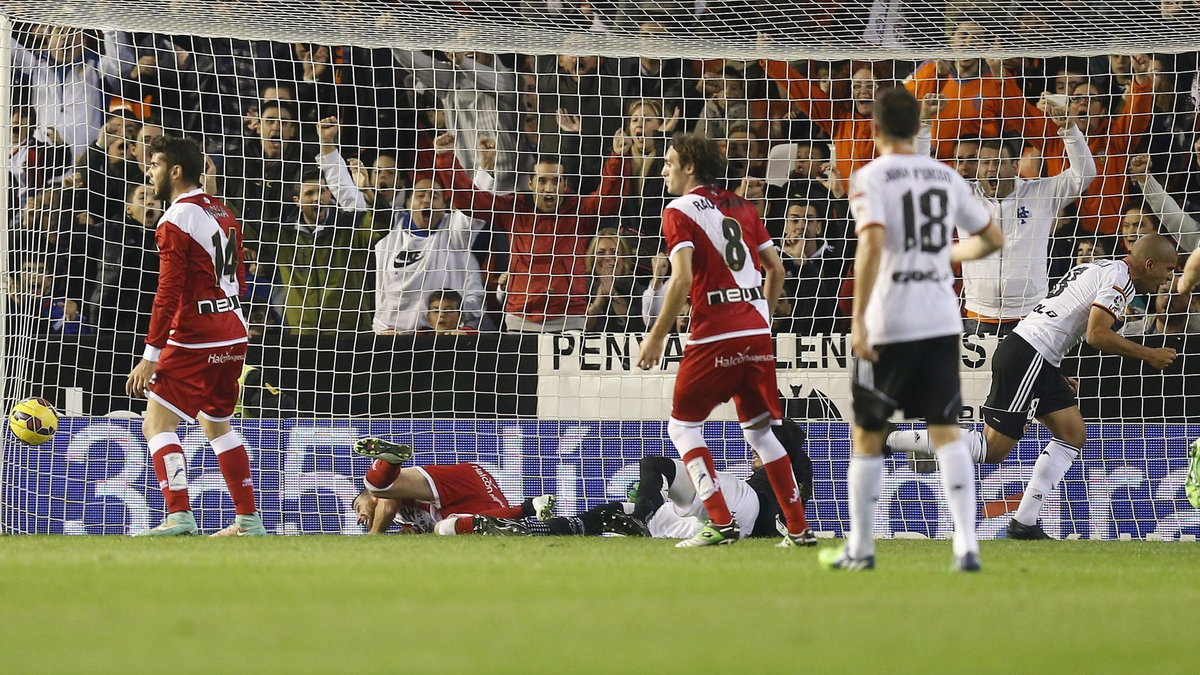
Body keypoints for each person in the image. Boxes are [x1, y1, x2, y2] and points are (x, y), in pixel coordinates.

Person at [888, 234, 1180, 539]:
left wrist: (1051, 373)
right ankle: (891, 437)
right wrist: (1150, 353)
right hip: (1028, 354)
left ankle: (1024, 522)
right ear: (1149, 264)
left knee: (1072, 434)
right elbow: (1096, 334)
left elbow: (1061, 316)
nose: (1167, 278)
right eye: (1169, 269)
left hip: (1037, 356)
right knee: (991, 449)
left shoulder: (1102, 267)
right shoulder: (1120, 280)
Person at [822, 87, 1004, 572]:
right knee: (946, 430)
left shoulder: (870, 176)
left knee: (868, 433)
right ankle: (966, 544)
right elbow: (991, 239)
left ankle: (861, 548)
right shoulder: (945, 175)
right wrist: (948, 255)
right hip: (941, 319)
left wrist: (859, 319)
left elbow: (872, 244)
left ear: (875, 128)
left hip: (889, 320)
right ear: (917, 124)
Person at [635, 132, 815, 549]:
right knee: (761, 432)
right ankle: (799, 529)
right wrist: (762, 318)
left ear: (690, 167)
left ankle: (720, 522)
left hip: (715, 330)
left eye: (668, 163)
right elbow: (777, 270)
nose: (663, 170)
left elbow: (680, 278)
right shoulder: (744, 206)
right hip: (755, 330)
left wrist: (656, 337)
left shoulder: (678, 210)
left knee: (682, 427)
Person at [124, 135, 265, 537]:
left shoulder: (174, 220)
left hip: (196, 334)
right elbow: (238, 275)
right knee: (217, 423)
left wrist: (151, 353)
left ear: (175, 171)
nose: (147, 173)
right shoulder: (222, 211)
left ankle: (179, 515)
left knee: (157, 424)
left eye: (152, 165)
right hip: (233, 329)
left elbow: (167, 292)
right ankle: (248, 521)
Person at [432, 129, 630, 332]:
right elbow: (470, 201)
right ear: (531, 183)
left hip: (569, 317)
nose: (549, 188)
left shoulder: (579, 211)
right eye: (542, 181)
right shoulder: (513, 208)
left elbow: (610, 197)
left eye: (556, 181)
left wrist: (618, 156)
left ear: (564, 186)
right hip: (520, 317)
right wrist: (445, 158)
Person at [959, 124, 1096, 336]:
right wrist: (923, 127)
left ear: (1015, 166)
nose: (990, 169)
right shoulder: (962, 197)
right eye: (985, 162)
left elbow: (1085, 174)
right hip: (979, 317)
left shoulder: (1041, 193)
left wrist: (1069, 129)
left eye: (998, 162)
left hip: (1030, 315)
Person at [351, 437, 554, 535]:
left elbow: (387, 505)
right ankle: (532, 506)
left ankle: (389, 461)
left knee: (378, 487)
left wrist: (374, 537)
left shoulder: (387, 502)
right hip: (461, 502)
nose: (359, 517)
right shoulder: (403, 518)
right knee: (448, 528)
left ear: (369, 500)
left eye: (358, 507)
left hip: (457, 481)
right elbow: (415, 531)